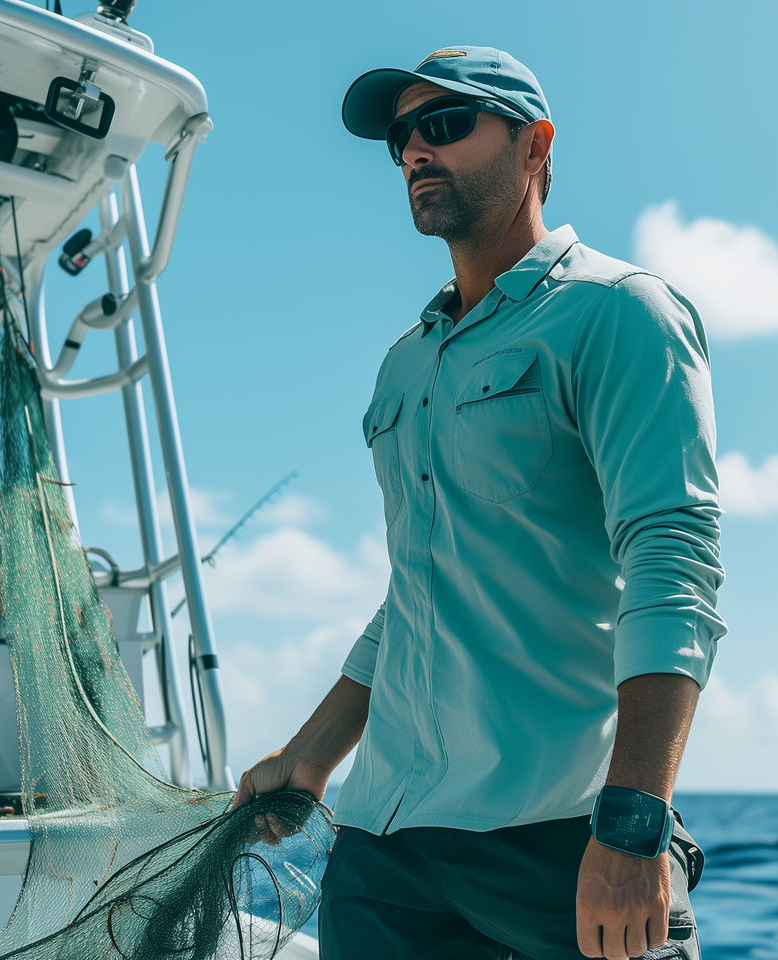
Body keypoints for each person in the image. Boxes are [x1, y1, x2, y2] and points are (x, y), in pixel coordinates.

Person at [232, 45, 726, 960]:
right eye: (402, 136)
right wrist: (313, 755)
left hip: (561, 832)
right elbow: (414, 591)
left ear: (535, 146)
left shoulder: (619, 313)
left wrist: (634, 822)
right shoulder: (405, 363)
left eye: (447, 124)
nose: (417, 148)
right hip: (383, 848)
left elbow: (672, 556)